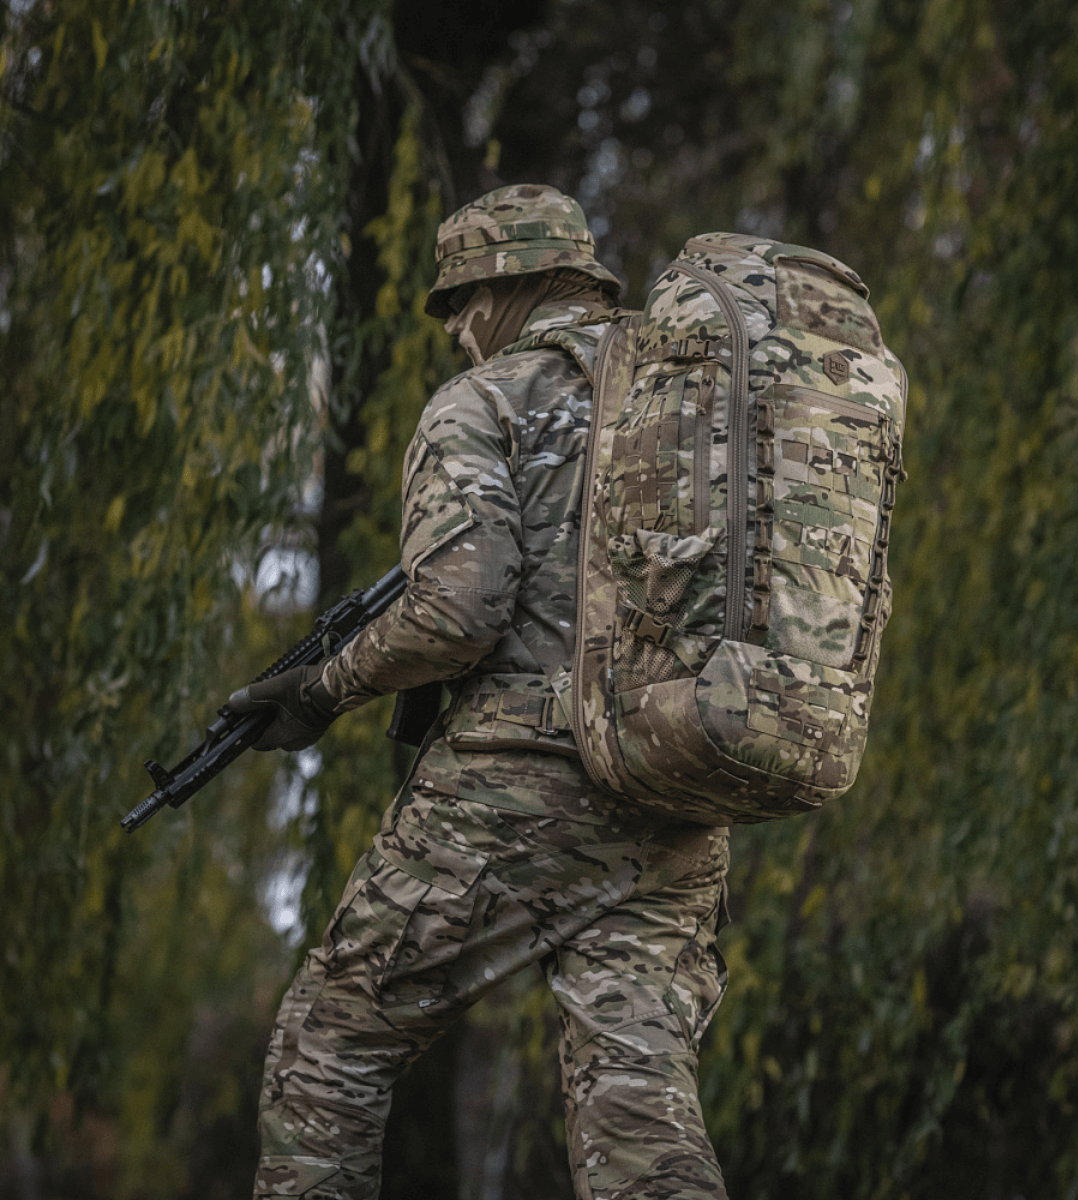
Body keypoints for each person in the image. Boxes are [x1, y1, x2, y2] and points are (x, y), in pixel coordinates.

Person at [230, 184, 731, 1200]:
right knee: (638, 1107)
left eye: (461, 301)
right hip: (679, 778)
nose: (457, 330)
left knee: (327, 1048)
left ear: (515, 283)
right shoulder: (693, 396)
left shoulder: (487, 400)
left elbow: (459, 610)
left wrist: (325, 687)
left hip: (521, 784)